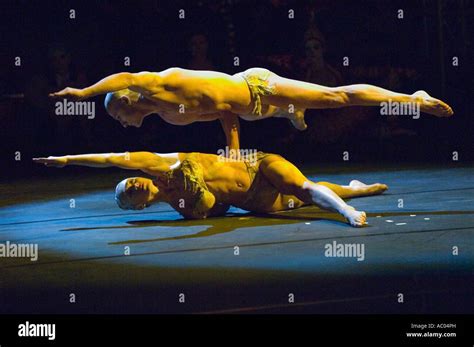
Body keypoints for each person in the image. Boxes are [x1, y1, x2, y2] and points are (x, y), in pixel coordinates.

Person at [49, 67, 453, 152]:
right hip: (250, 111)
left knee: (335, 98)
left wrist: (83, 92)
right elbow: (223, 113)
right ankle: (290, 114)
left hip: (257, 85)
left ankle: (412, 98)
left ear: (125, 102)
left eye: (117, 115)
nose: (120, 123)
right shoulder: (171, 117)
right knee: (274, 114)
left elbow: (125, 76)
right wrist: (235, 151)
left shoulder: (163, 83)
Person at [33, 151, 388, 227]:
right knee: (300, 196)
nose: (134, 182)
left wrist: (66, 160)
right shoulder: (185, 210)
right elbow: (217, 209)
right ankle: (352, 190)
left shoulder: (163, 163)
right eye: (129, 190)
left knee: (303, 187)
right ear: (138, 206)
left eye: (130, 179)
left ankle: (345, 211)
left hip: (257, 164)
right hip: (257, 201)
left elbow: (113, 159)